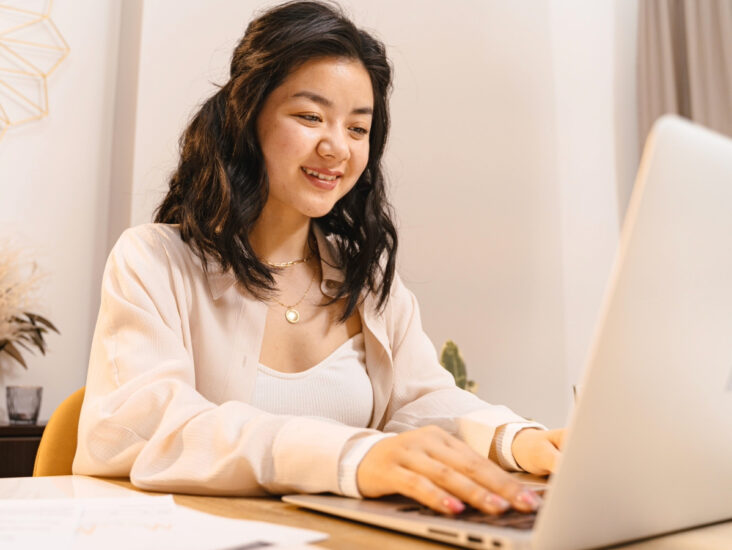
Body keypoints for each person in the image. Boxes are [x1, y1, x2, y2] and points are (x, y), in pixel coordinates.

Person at [74, 0, 564, 516]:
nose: (337, 147)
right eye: (310, 116)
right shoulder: (154, 261)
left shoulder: (365, 278)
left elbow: (422, 401)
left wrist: (519, 442)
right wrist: (350, 455)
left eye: (357, 128)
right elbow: (152, 429)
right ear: (248, 119)